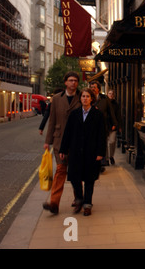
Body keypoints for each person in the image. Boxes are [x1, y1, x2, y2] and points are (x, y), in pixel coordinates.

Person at [59, 88, 106, 216]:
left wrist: (101, 152)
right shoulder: (74, 114)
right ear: (80, 99)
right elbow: (67, 133)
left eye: (87, 96)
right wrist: (63, 149)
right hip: (76, 152)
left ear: (92, 99)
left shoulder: (98, 115)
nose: (85, 98)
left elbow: (102, 135)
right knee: (75, 178)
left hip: (91, 152)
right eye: (83, 96)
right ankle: (79, 199)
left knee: (89, 180)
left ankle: (87, 204)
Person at [42, 72, 81, 214]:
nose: (73, 83)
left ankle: (78, 200)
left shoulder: (81, 97)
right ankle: (54, 203)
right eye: (70, 80)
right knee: (60, 171)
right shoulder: (57, 99)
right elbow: (52, 120)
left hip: (76, 141)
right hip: (59, 141)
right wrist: (47, 141)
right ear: (65, 82)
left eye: (76, 81)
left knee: (76, 173)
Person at [89, 81, 117, 167]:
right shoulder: (86, 97)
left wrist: (114, 123)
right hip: (90, 126)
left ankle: (103, 161)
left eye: (94, 87)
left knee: (102, 143)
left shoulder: (104, 98)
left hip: (102, 125)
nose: (92, 89)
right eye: (91, 87)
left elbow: (110, 111)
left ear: (98, 89)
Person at [107, 89, 122, 165]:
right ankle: (106, 158)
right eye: (109, 93)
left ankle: (111, 156)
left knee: (112, 142)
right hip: (105, 125)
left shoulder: (116, 104)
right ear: (107, 94)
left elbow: (118, 116)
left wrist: (117, 125)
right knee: (106, 143)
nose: (111, 95)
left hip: (113, 125)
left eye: (112, 94)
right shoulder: (105, 103)